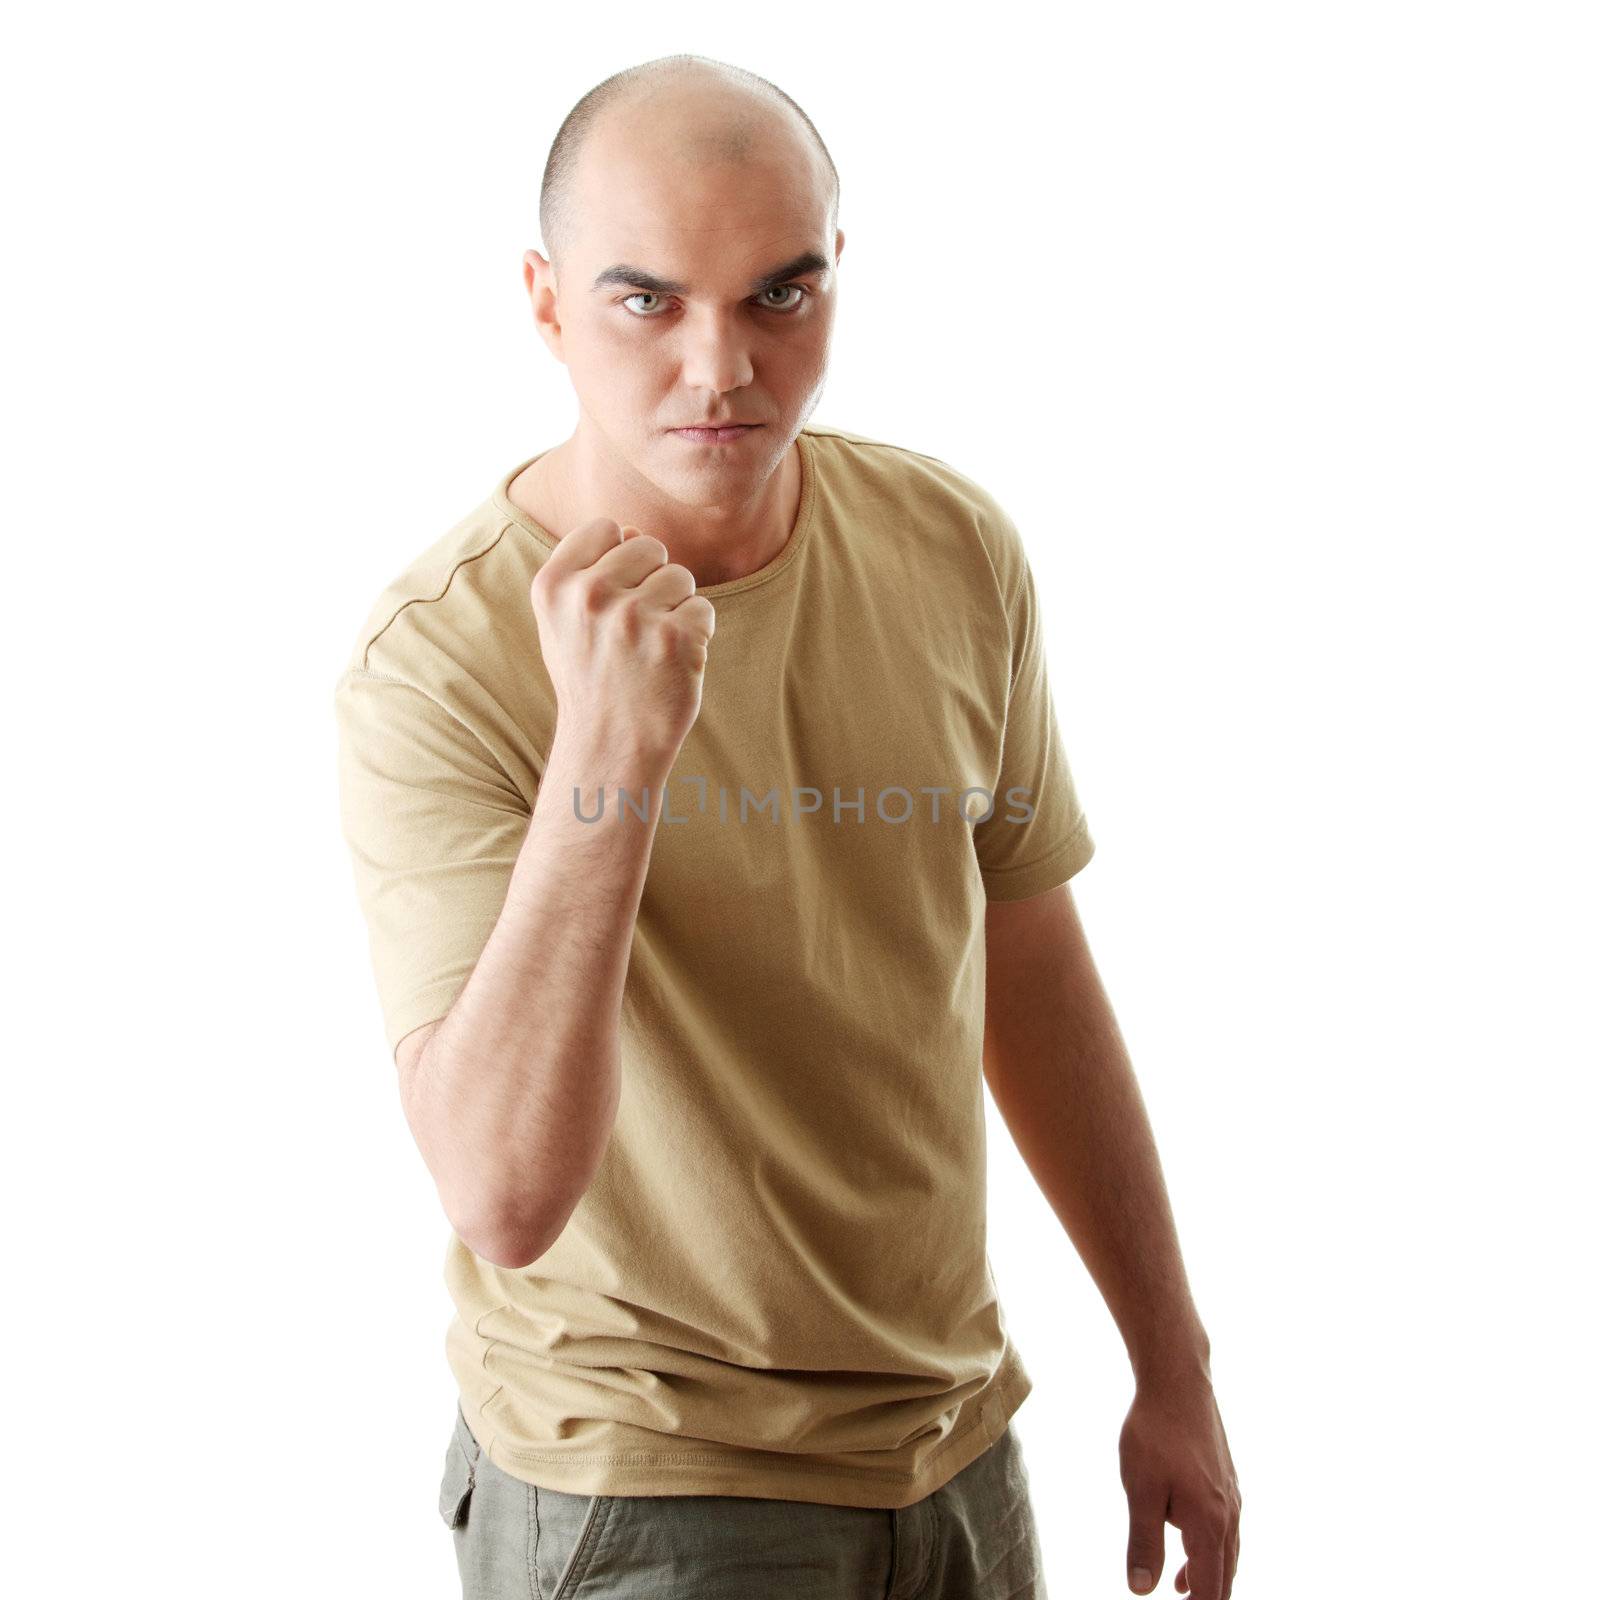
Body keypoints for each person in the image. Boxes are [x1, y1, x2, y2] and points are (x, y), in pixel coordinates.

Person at [333, 51, 1241, 1600]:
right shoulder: (441, 659)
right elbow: (501, 1190)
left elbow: (1029, 974)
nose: (720, 366)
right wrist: (609, 758)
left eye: (777, 295)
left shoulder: (952, 547)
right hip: (648, 1491)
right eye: (648, 302)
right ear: (547, 303)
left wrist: (1173, 1362)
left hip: (955, 1447)